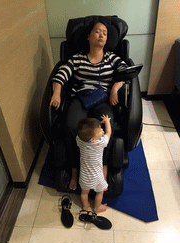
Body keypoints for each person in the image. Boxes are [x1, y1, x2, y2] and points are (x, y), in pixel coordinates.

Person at [50, 18, 127, 190]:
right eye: (98, 31)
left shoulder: (111, 58)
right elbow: (60, 76)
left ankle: (104, 171)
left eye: (105, 33)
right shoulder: (77, 59)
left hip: (103, 100)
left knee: (107, 127)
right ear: (89, 36)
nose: (102, 35)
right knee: (71, 127)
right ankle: (75, 170)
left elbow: (125, 72)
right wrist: (56, 94)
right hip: (80, 98)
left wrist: (115, 88)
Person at [76, 115, 111, 213]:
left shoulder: (79, 140)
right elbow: (108, 132)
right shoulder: (100, 143)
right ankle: (97, 208)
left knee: (84, 193)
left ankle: (85, 205)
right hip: (97, 177)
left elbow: (79, 135)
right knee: (100, 192)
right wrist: (107, 122)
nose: (102, 130)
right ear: (92, 139)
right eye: (100, 130)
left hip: (84, 177)